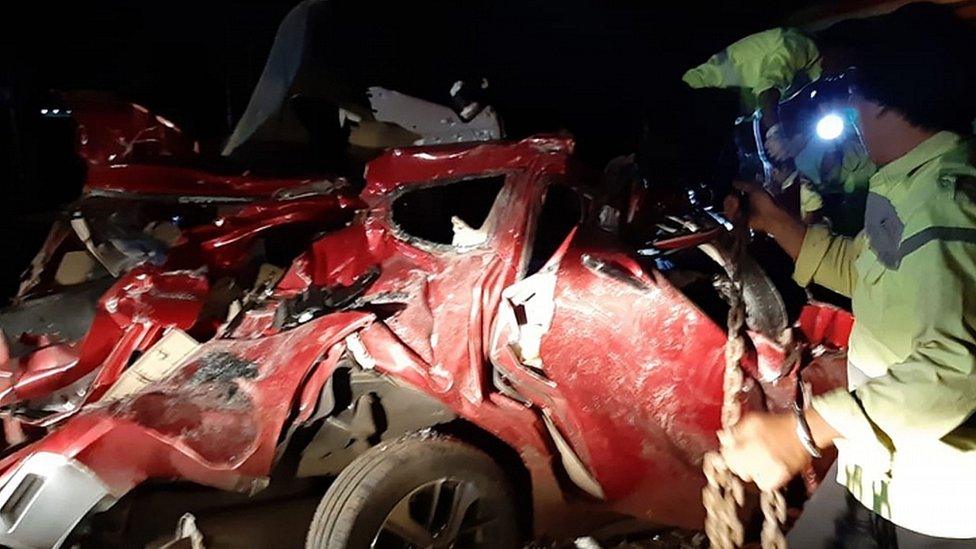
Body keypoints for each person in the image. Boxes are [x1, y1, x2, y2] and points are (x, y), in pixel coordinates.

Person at [720, 3, 976, 546]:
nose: (854, 116)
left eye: (857, 98)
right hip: (878, 469)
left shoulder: (946, 203)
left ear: (884, 104)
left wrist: (802, 434)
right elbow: (867, 271)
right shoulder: (912, 184)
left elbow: (956, 372)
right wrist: (773, 220)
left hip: (940, 502)